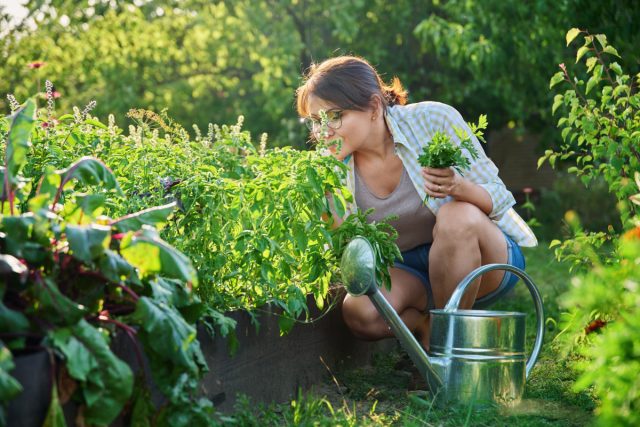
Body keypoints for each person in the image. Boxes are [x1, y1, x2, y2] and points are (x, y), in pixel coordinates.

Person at [295, 56, 537, 348]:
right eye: (315, 122)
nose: (323, 132)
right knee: (359, 312)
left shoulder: (432, 120)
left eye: (334, 116)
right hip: (408, 273)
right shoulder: (327, 171)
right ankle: (428, 328)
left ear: (373, 107)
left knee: (455, 216)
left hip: (483, 259)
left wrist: (458, 186)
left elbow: (498, 194)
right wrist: (330, 215)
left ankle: (449, 350)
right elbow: (349, 258)